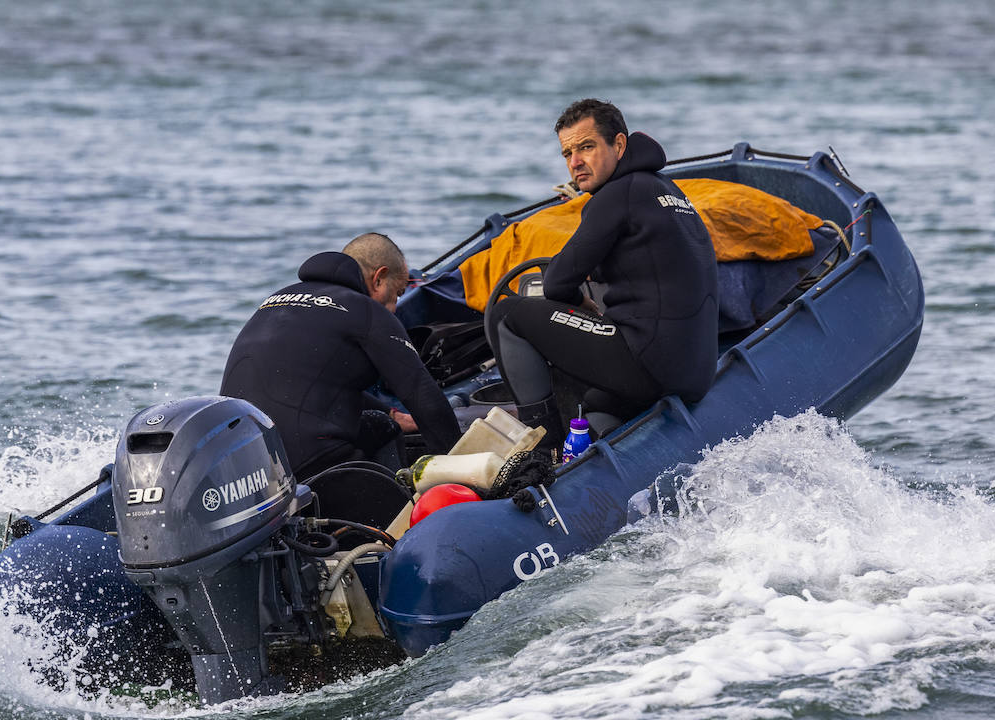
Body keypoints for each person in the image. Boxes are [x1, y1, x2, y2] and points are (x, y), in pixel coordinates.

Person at [487, 98, 718, 448]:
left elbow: (556, 282)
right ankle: (601, 454)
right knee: (596, 403)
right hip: (694, 373)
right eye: (567, 154)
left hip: (649, 363)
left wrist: (582, 303)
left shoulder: (616, 196)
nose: (575, 162)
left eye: (586, 147)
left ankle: (541, 451)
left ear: (619, 144)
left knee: (507, 314)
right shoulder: (669, 191)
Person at [221, 233, 462, 480]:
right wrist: (459, 465)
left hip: (244, 464)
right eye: (398, 294)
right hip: (312, 462)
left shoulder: (275, 300)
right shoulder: (366, 311)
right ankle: (399, 501)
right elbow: (422, 394)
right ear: (379, 279)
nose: (395, 308)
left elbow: (307, 380)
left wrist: (392, 414)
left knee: (383, 424)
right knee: (397, 486)